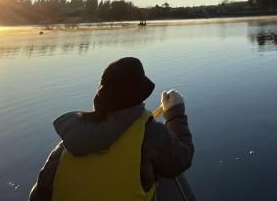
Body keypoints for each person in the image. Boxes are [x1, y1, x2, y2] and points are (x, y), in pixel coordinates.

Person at [29, 57, 194, 201]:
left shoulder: (68, 144)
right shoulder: (151, 134)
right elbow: (181, 160)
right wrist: (175, 114)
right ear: (139, 97)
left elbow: (37, 197)